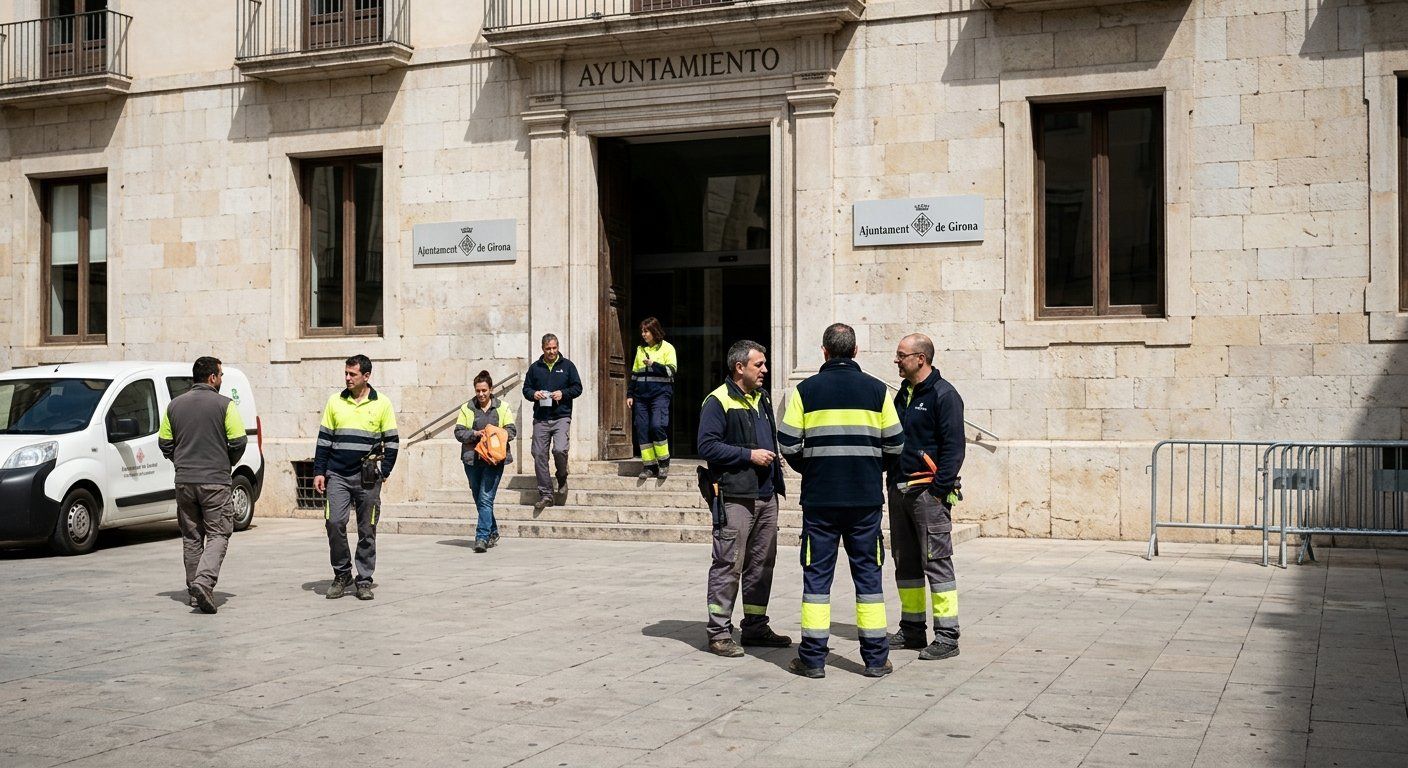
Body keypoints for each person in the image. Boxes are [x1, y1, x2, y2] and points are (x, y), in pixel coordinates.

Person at [776, 323, 904, 679]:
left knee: (817, 580)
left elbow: (788, 443)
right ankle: (876, 659)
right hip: (865, 501)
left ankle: (813, 659)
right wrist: (870, 466)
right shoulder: (878, 390)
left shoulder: (805, 391)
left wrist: (814, 468)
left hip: (820, 501)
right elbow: (896, 443)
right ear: (856, 351)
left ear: (825, 352)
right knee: (869, 579)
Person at [697, 340, 792, 657]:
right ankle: (719, 632)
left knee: (762, 564)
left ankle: (755, 626)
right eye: (758, 365)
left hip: (766, 495)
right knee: (728, 563)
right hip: (735, 496)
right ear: (740, 367)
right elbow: (707, 446)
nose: (765, 369)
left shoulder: (762, 398)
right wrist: (749, 455)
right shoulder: (718, 401)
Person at [888, 333, 966, 660]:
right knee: (905, 563)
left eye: (901, 355)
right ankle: (912, 628)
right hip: (899, 491)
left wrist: (937, 492)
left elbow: (954, 449)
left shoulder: (944, 395)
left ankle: (947, 636)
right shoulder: (902, 394)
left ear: (921, 358)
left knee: (936, 562)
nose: (896, 360)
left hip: (927, 494)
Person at [157, 356, 247, 615]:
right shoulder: (225, 405)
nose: (221, 379)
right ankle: (204, 583)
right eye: (220, 375)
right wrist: (226, 462)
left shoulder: (174, 405)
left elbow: (164, 442)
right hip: (215, 482)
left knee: (192, 537)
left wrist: (180, 462)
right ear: (212, 377)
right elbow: (239, 441)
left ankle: (195, 593)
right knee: (219, 534)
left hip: (185, 482)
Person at [313, 355, 399, 601]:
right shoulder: (335, 401)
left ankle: (364, 580)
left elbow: (392, 441)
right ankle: (342, 574)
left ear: (366, 376)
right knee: (334, 522)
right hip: (337, 475)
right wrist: (319, 471)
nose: (348, 378)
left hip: (368, 478)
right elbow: (324, 440)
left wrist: (384, 471)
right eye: (346, 373)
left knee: (367, 529)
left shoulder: (382, 403)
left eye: (353, 374)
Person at [455, 370, 518, 553]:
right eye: (478, 391)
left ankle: (481, 537)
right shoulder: (467, 408)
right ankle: (493, 530)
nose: (481, 394)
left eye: (484, 390)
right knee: (479, 497)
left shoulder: (502, 407)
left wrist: (493, 434)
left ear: (491, 389)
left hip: (494, 461)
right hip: (472, 460)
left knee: (485, 498)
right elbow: (459, 432)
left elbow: (511, 431)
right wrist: (475, 433)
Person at [522, 334, 583, 513]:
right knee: (539, 454)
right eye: (548, 348)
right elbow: (526, 389)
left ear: (558, 347)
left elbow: (577, 388)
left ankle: (562, 477)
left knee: (560, 449)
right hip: (541, 418)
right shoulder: (535, 368)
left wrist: (563, 393)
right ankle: (546, 494)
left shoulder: (568, 366)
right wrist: (534, 394)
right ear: (543, 348)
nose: (551, 351)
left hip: (561, 416)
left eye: (554, 348)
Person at [627, 317, 678, 479]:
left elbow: (671, 371)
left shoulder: (668, 348)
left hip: (660, 394)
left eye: (646, 331)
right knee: (642, 428)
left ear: (654, 331)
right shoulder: (640, 350)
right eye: (642, 331)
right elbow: (635, 374)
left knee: (657, 425)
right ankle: (649, 466)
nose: (643, 334)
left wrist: (653, 364)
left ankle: (663, 462)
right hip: (641, 396)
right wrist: (630, 394)